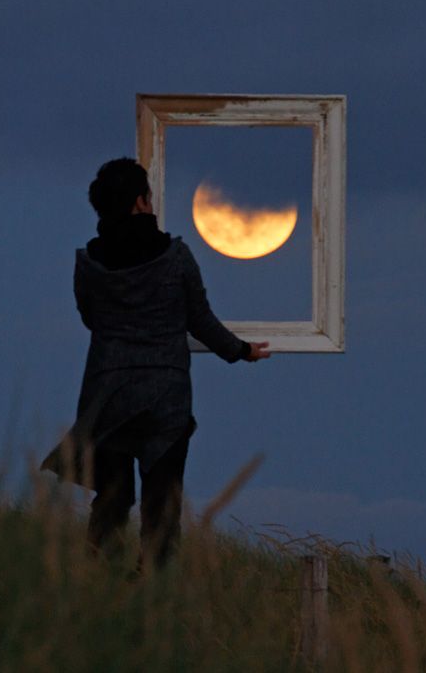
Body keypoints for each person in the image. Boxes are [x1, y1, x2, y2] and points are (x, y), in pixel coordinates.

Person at [40, 157, 270, 569]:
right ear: (139, 202)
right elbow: (201, 321)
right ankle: (153, 588)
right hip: (165, 397)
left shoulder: (88, 262)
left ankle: (98, 579)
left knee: (113, 496)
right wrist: (242, 351)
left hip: (107, 393)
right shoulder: (175, 256)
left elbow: (90, 318)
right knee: (161, 501)